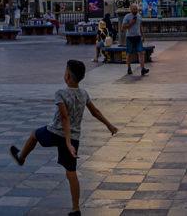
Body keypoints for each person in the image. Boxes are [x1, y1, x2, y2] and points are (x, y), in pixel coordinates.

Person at [9, 60, 117, 216]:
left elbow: (64, 117)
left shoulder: (60, 93)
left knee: (34, 135)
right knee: (71, 172)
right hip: (73, 137)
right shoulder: (84, 93)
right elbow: (95, 111)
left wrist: (66, 142)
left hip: (56, 132)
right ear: (83, 76)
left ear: (66, 76)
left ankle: (21, 157)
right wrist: (109, 125)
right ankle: (76, 209)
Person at [122, 4, 149, 76]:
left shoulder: (139, 16)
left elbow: (139, 26)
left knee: (141, 53)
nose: (135, 11)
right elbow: (123, 26)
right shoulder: (127, 16)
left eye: (136, 9)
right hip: (130, 37)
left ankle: (143, 69)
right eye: (134, 9)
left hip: (138, 37)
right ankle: (129, 68)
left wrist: (142, 35)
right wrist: (131, 23)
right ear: (131, 10)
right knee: (129, 53)